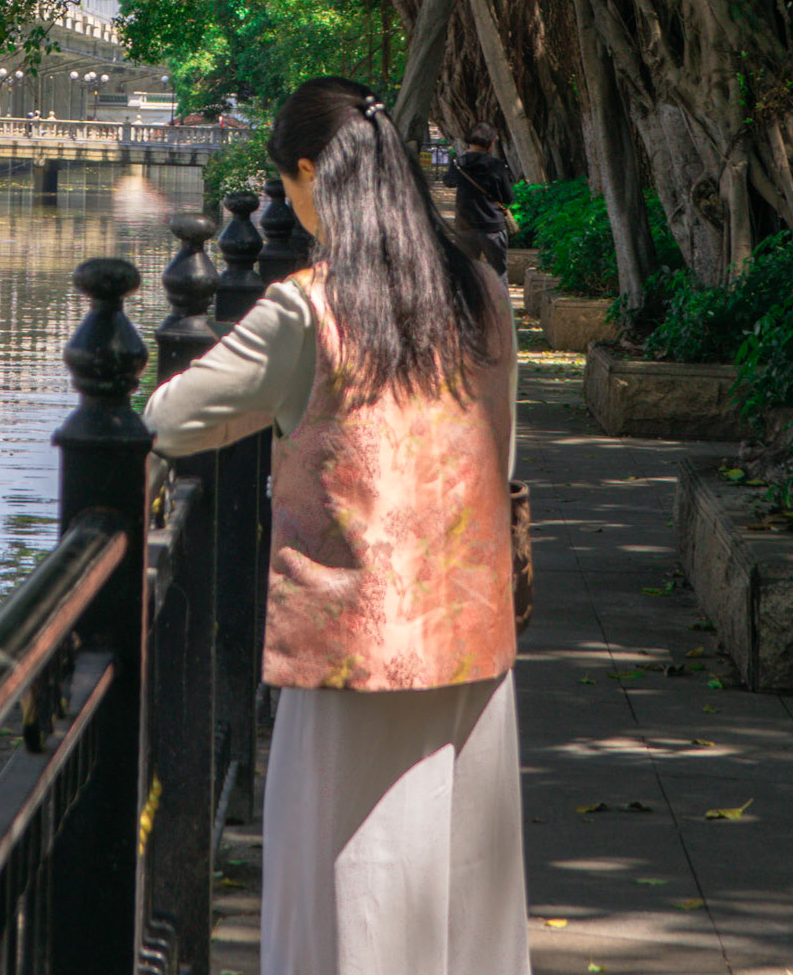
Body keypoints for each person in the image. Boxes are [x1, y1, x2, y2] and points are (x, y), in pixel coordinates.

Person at [144, 77, 528, 975]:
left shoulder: (306, 308)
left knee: (352, 876)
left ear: (310, 176)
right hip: (469, 630)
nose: (286, 203)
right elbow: (497, 452)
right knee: (466, 884)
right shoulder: (479, 290)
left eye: (285, 186)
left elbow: (168, 417)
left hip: (354, 643)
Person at [443, 121, 515, 288]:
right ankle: (501, 310)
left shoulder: (459, 164)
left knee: (465, 272)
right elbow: (507, 197)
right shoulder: (497, 166)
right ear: (490, 143)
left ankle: (466, 309)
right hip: (493, 228)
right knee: (499, 273)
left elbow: (448, 182)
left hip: (465, 226)